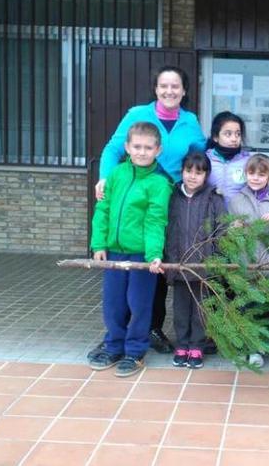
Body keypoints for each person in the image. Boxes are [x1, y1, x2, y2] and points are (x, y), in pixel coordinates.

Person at [95, 66, 206, 355]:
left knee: (156, 264)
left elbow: (202, 156)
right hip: (138, 195)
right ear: (155, 89)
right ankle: (121, 334)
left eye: (176, 86)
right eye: (164, 86)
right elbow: (112, 149)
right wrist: (105, 178)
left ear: (184, 90)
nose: (170, 91)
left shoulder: (190, 121)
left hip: (173, 199)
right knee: (128, 275)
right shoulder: (137, 115)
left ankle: (149, 329)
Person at [87, 122, 173, 378]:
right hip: (114, 252)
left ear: (158, 150)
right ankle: (114, 345)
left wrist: (153, 254)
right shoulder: (116, 175)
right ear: (127, 147)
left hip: (141, 257)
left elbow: (156, 221)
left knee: (139, 304)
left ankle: (135, 351)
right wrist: (98, 244)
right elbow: (103, 210)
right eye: (137, 146)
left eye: (148, 147)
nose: (142, 152)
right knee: (113, 303)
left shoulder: (159, 183)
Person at [227, 154, 269, 368]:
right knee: (250, 306)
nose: (255, 178)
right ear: (245, 174)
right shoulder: (237, 200)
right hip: (246, 261)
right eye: (251, 173)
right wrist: (233, 229)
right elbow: (227, 230)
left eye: (261, 174)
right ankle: (253, 348)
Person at [163, 151, 227, 369]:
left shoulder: (213, 198)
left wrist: (215, 259)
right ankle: (182, 344)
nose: (192, 176)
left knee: (200, 309)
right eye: (189, 171)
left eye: (198, 173)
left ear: (206, 175)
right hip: (178, 262)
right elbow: (167, 229)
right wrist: (168, 260)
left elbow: (222, 229)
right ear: (182, 171)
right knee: (180, 308)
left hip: (204, 265)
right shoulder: (173, 196)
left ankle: (197, 346)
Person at [206, 111, 251, 208]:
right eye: (228, 134)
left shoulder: (248, 162)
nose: (234, 139)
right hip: (211, 216)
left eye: (238, 134)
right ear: (215, 137)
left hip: (239, 218)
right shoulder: (206, 160)